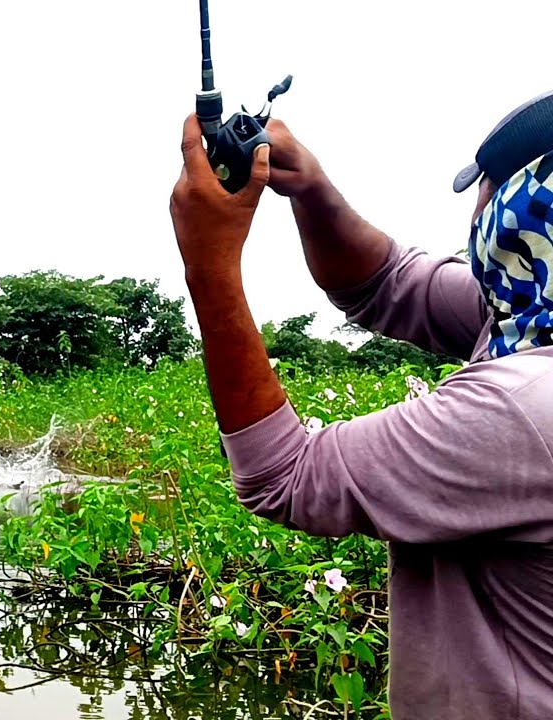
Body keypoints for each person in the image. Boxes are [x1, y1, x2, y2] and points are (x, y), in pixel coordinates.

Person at [169, 88, 553, 720]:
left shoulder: (523, 407)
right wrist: (312, 191)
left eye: (485, 192)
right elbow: (387, 283)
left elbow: (283, 476)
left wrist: (208, 267)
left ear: (521, 209)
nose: (475, 214)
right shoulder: (528, 322)